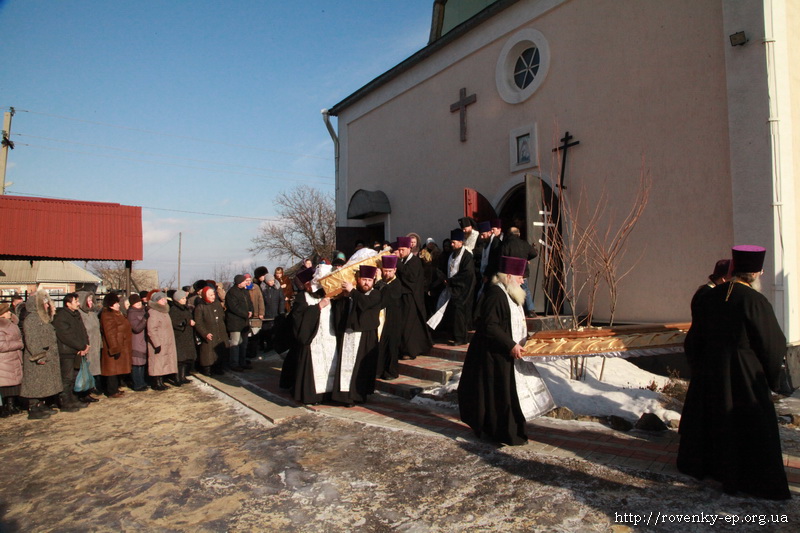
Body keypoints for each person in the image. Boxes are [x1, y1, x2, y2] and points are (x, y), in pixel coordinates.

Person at [677, 245, 790, 500]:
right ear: (757, 273)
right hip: (744, 375)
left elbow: (694, 339)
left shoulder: (710, 296)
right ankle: (745, 479)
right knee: (749, 427)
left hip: (710, 373)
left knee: (714, 422)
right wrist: (772, 377)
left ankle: (711, 469)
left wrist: (700, 368)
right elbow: (772, 344)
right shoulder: (755, 300)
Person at [458, 256, 534, 446]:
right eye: (520, 277)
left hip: (505, 352)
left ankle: (513, 430)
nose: (523, 280)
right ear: (508, 276)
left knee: (507, 393)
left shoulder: (510, 293)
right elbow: (490, 326)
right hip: (493, 353)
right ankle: (501, 433)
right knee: (498, 395)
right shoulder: (495, 294)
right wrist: (510, 345)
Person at [280, 266, 339, 405]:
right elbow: (298, 318)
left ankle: (329, 393)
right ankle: (312, 396)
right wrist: (318, 307)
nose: (308, 286)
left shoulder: (327, 295)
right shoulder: (302, 297)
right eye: (306, 284)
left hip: (329, 338)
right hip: (312, 341)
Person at [333, 265, 382, 405]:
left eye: (369, 280)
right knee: (346, 366)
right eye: (364, 279)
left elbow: (365, 304)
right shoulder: (352, 294)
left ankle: (358, 395)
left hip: (366, 337)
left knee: (361, 368)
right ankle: (344, 396)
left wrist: (352, 292)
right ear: (358, 280)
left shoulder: (375, 294)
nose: (366, 283)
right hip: (349, 334)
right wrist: (344, 298)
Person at [20, 290, 63, 419]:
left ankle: (41, 405)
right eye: (44, 303)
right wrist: (39, 355)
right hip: (38, 356)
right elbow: (32, 340)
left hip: (47, 354)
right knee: (35, 383)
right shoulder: (32, 319)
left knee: (42, 383)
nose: (47, 305)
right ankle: (33, 407)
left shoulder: (42, 318)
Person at [433, 229, 475, 346]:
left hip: (463, 289)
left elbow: (467, 273)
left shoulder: (467, 256)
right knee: (451, 313)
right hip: (452, 288)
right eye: (451, 242)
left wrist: (451, 280)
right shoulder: (451, 255)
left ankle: (461, 338)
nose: (451, 245)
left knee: (459, 313)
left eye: (454, 242)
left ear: (461, 242)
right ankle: (453, 335)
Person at [52, 292, 91, 412]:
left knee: (75, 376)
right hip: (67, 352)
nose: (78, 304)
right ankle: (65, 402)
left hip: (78, 351)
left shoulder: (76, 314)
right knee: (67, 378)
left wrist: (86, 345)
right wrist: (81, 346)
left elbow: (82, 330)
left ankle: (73, 399)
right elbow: (66, 335)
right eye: (76, 302)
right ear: (68, 304)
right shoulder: (62, 316)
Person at [396, 236, 432, 360]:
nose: (400, 252)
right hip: (404, 297)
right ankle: (408, 348)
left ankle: (410, 351)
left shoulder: (415, 261)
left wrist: (397, 265)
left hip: (412, 298)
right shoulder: (404, 261)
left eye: (402, 250)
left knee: (408, 325)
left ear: (409, 249)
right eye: (399, 250)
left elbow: (409, 277)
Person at [99, 293, 133, 398]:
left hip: (121, 345)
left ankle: (115, 388)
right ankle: (111, 390)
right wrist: (114, 347)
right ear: (111, 304)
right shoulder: (107, 315)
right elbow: (110, 333)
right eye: (116, 303)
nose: (118, 305)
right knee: (112, 370)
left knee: (117, 369)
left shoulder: (117, 313)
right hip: (114, 346)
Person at [500, 227, 538, 317]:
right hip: (522, 271)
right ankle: (530, 310)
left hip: (510, 272)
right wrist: (526, 259)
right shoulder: (524, 243)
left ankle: (514, 310)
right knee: (526, 290)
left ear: (508, 234)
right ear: (519, 234)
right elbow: (534, 253)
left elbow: (501, 257)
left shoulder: (505, 244)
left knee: (509, 291)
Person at [375, 255, 402, 380]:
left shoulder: (396, 283)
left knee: (391, 346)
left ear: (395, 270)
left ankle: (391, 371)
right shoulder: (383, 283)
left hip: (393, 319)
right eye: (385, 271)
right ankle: (380, 370)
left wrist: (380, 281)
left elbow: (388, 297)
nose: (387, 273)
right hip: (382, 318)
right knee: (381, 345)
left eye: (390, 271)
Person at [147, 292, 179, 391]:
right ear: (157, 301)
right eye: (163, 299)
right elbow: (151, 329)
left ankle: (161, 381)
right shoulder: (153, 312)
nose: (165, 301)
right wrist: (156, 343)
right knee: (157, 363)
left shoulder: (164, 311)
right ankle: (156, 383)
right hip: (159, 342)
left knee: (163, 362)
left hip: (166, 342)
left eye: (165, 299)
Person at [193, 286, 229, 376]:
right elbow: (198, 323)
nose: (213, 296)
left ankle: (218, 367)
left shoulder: (217, 304)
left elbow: (222, 317)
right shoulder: (200, 307)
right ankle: (207, 369)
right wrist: (204, 333)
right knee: (208, 352)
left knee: (219, 350)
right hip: (208, 331)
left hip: (220, 331)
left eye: (213, 294)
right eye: (210, 295)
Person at [76, 292, 102, 401]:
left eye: (92, 300)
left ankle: (93, 386)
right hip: (87, 345)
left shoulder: (92, 314)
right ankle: (85, 391)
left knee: (95, 367)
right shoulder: (79, 314)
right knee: (87, 368)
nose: (91, 303)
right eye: (89, 301)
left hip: (95, 345)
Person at [225, 274, 254, 371]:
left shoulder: (245, 292)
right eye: (244, 281)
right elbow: (234, 307)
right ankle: (234, 363)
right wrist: (245, 313)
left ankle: (242, 362)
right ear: (239, 283)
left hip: (244, 322)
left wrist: (250, 311)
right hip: (235, 322)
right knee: (235, 344)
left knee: (244, 343)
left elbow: (250, 303)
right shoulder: (231, 293)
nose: (246, 282)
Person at [0, 302, 24, 417]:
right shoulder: (1, 326)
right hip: (5, 360)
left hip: (13, 358)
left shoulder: (12, 323)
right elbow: (1, 345)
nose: (10, 312)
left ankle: (12, 405)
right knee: (6, 385)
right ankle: (7, 406)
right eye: (7, 311)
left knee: (13, 385)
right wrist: (19, 344)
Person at [169, 289, 196, 385]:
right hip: (179, 337)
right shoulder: (174, 309)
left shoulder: (185, 308)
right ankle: (176, 378)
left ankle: (182, 376)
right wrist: (187, 322)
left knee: (185, 359)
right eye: (183, 298)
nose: (185, 300)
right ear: (177, 299)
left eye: (185, 298)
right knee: (179, 360)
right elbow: (175, 323)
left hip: (186, 335)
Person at [127, 294, 149, 391]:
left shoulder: (143, 310)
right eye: (136, 302)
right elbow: (136, 328)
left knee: (142, 362)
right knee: (137, 363)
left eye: (139, 301)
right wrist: (145, 319)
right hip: (136, 341)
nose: (139, 303)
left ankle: (142, 382)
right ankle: (137, 384)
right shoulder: (131, 313)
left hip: (143, 340)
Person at [245, 273, 266, 361]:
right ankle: (247, 352)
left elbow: (260, 300)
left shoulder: (256, 287)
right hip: (247, 315)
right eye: (247, 281)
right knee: (247, 335)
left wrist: (261, 312)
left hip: (256, 314)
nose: (248, 282)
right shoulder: (243, 289)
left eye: (250, 280)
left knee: (255, 334)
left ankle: (253, 352)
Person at [262, 273, 284, 352]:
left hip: (276, 311)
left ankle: (277, 345)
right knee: (267, 330)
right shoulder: (263, 289)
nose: (271, 282)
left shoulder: (278, 288)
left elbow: (281, 299)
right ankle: (269, 345)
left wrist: (281, 311)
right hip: (267, 312)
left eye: (272, 280)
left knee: (277, 330)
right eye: (269, 281)